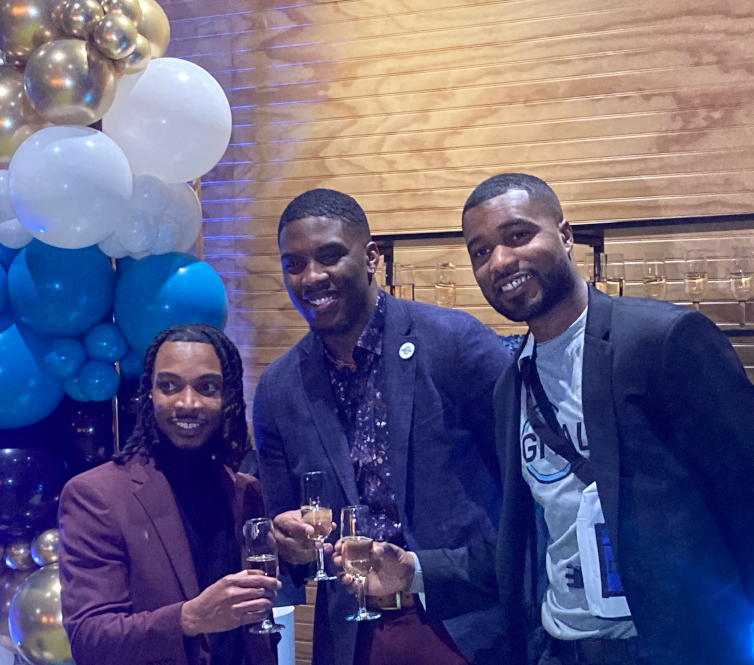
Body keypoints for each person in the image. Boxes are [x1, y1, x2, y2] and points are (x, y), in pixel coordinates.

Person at [461, 172, 754, 665]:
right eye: (481, 251)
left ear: (567, 235)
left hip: (673, 647)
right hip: (561, 647)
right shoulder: (511, 384)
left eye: (518, 236)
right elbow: (530, 539)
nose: (501, 261)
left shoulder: (662, 341)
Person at [254, 188, 511, 665]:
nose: (312, 277)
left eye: (330, 256)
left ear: (371, 257)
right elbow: (286, 530)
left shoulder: (456, 345)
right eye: (294, 264)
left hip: (468, 629)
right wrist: (285, 541)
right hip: (352, 640)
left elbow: (527, 494)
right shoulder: (279, 388)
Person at [59, 323, 280, 665]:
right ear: (150, 393)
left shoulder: (245, 491)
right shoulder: (96, 495)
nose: (188, 403)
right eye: (170, 386)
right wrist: (189, 619)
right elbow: (90, 639)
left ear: (228, 397)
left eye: (207, 387)